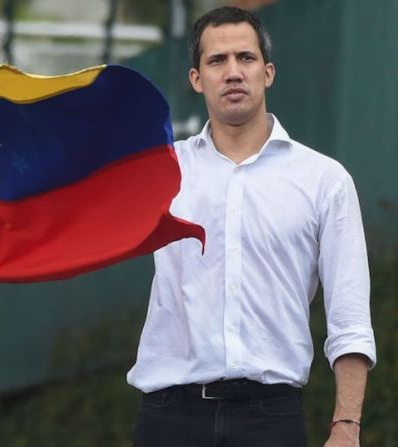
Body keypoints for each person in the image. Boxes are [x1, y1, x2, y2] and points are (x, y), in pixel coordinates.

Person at [127, 6, 376, 447]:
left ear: (268, 72)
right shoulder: (159, 173)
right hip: (169, 415)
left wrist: (347, 425)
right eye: (217, 61)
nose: (233, 72)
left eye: (245, 58)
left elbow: (350, 318)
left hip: (270, 418)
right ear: (196, 79)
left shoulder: (325, 180)